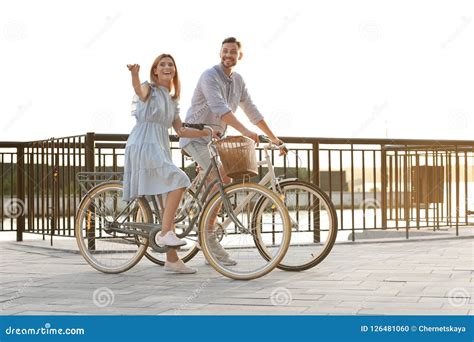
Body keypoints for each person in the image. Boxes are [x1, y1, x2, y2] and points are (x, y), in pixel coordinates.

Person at [179, 37, 285, 266]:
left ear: (240, 56)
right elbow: (221, 110)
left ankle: (205, 227)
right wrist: (247, 132)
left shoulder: (238, 81)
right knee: (221, 177)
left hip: (215, 140)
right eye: (225, 51)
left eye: (233, 52)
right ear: (219, 53)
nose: (228, 55)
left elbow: (252, 109)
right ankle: (206, 235)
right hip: (195, 136)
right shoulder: (209, 76)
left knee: (222, 177)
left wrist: (274, 137)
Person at [123, 54, 208, 274]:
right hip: (144, 144)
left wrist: (206, 131)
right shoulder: (148, 90)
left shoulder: (171, 101)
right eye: (162, 64)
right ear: (155, 71)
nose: (167, 67)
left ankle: (171, 260)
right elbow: (138, 91)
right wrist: (134, 74)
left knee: (164, 204)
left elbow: (180, 130)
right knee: (180, 179)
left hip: (159, 146)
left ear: (174, 72)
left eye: (171, 64)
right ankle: (164, 234)